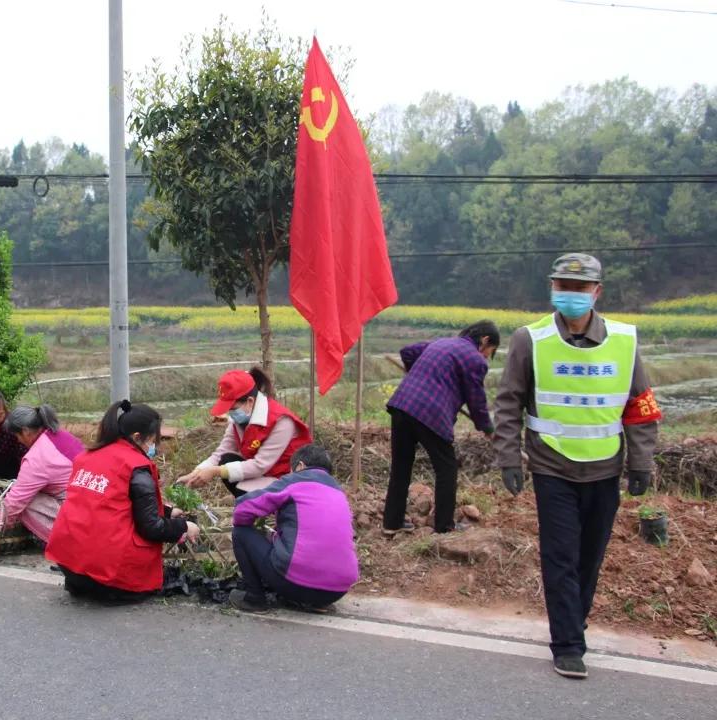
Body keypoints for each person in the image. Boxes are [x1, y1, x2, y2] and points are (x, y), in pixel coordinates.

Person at [493, 253, 660, 680]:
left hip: (605, 468)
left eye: (580, 287)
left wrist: (641, 462)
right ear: (552, 289)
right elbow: (509, 401)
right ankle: (567, 643)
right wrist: (509, 456)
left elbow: (640, 404)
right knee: (561, 555)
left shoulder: (624, 341)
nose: (570, 294)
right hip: (552, 466)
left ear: (596, 292)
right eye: (563, 286)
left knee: (590, 556)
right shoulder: (530, 339)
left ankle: (574, 621)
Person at [46, 400, 201, 602]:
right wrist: (183, 527)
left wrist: (168, 511)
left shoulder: (87, 457)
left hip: (71, 568)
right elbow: (151, 528)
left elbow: (113, 502)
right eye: (153, 441)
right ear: (137, 437)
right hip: (110, 577)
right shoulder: (136, 466)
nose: (154, 447)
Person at [382, 321, 499, 535]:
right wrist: (488, 429)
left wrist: (417, 376)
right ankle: (445, 527)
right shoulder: (475, 359)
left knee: (401, 466)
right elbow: (476, 401)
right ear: (485, 341)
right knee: (447, 469)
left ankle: (392, 523)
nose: (485, 358)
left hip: (402, 405)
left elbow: (408, 352)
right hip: (429, 413)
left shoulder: (442, 343)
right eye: (488, 352)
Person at [228, 444, 360, 614]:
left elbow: (244, 507)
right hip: (337, 591)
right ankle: (316, 603)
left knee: (241, 533)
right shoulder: (339, 492)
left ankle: (255, 599)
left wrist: (250, 523)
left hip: (295, 583)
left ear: (300, 466)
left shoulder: (296, 480)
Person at [178, 367, 311, 496]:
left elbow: (260, 465)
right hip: (264, 475)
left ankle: (264, 507)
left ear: (250, 401)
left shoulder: (282, 421)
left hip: (287, 480)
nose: (230, 413)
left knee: (234, 480)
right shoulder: (240, 419)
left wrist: (215, 471)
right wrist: (196, 472)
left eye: (233, 408)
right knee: (226, 459)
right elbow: (222, 451)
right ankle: (250, 504)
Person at [0, 404, 84, 548]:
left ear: (25, 431)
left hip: (78, 515)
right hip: (90, 504)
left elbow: (15, 501)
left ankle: (67, 543)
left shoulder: (36, 458)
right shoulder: (60, 434)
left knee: (25, 503)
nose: (18, 440)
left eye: (17, 435)